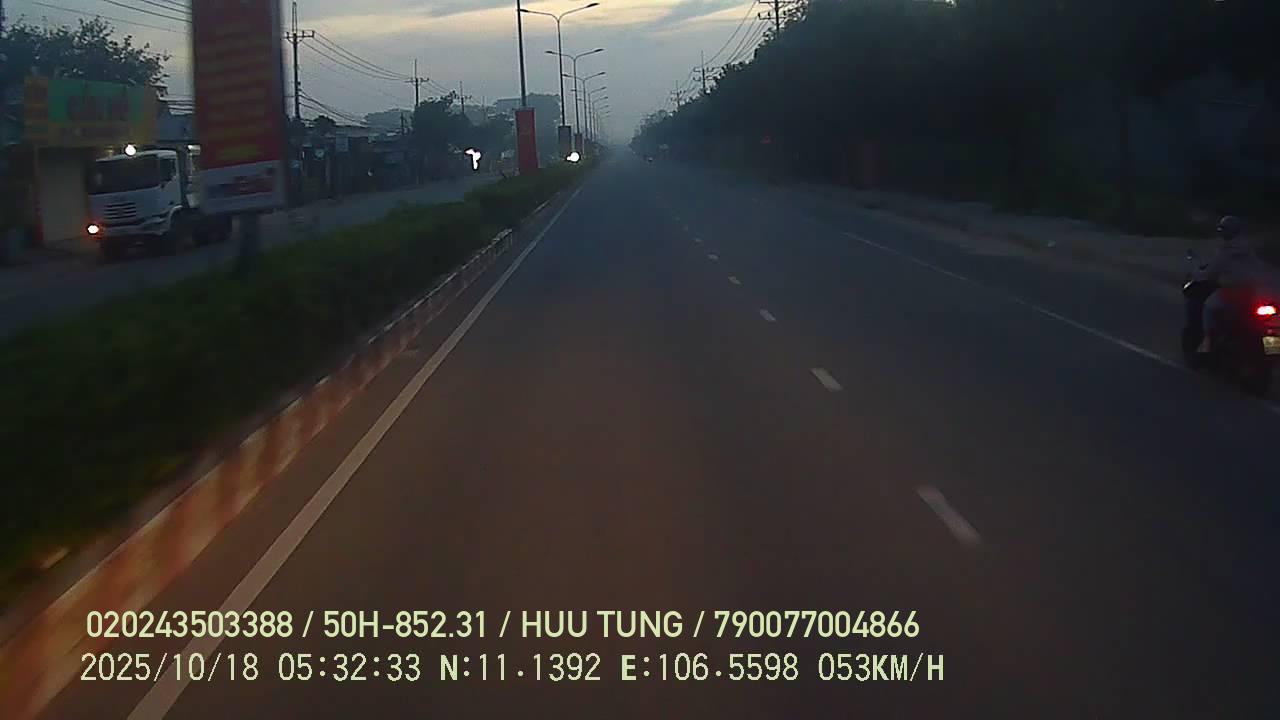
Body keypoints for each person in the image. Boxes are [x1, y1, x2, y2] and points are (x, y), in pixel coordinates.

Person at [1197, 215, 1260, 352]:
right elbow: (1258, 268)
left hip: (1230, 294)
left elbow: (1211, 272)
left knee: (1208, 307)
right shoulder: (1248, 249)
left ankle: (1207, 343)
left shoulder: (1225, 251)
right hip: (1250, 294)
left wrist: (1198, 275)